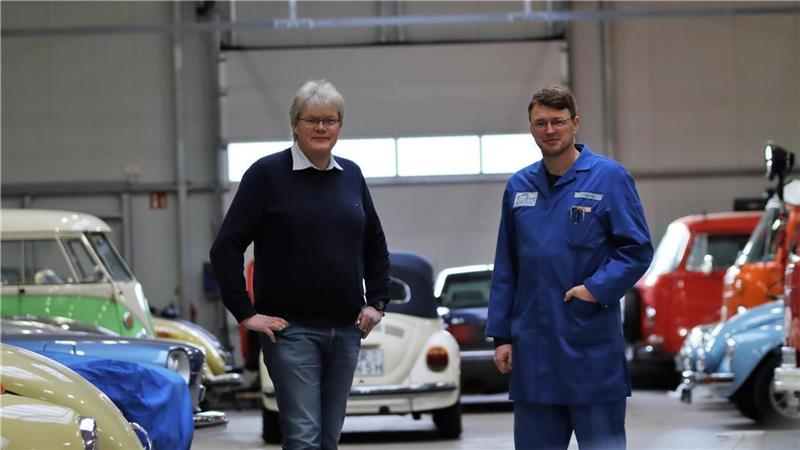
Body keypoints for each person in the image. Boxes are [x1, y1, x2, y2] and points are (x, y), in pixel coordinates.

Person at [210, 79, 390, 450]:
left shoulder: (351, 176)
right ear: (294, 124)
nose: (321, 128)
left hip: (346, 331)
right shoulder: (266, 175)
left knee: (328, 439)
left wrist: (378, 302)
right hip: (291, 333)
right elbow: (226, 247)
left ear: (340, 125)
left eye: (330, 120)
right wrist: (245, 313)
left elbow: (375, 244)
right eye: (311, 120)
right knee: (304, 439)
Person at [486, 86, 653, 450]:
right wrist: (502, 336)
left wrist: (595, 289)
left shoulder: (609, 178)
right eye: (540, 123)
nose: (550, 130)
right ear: (531, 129)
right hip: (535, 352)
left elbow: (637, 249)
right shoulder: (519, 187)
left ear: (575, 124)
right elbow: (507, 265)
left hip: (589, 348)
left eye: (558, 121)